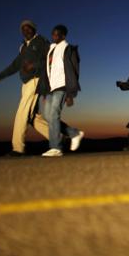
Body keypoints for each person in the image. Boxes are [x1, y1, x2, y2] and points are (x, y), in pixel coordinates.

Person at [0, 20, 71, 156]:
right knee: (33, 118)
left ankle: (18, 148)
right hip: (26, 83)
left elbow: (52, 58)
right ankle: (58, 138)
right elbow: (14, 66)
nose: (26, 31)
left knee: (22, 112)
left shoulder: (40, 41)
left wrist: (34, 65)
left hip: (36, 80)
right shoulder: (23, 47)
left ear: (34, 29)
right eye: (23, 29)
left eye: (29, 29)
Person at [36, 25, 84, 157]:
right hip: (49, 88)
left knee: (53, 115)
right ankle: (74, 133)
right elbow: (46, 70)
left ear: (63, 36)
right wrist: (43, 90)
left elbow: (74, 71)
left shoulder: (69, 49)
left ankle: (56, 147)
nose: (54, 36)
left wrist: (71, 93)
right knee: (47, 116)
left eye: (57, 34)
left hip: (62, 87)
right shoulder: (50, 49)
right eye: (53, 34)